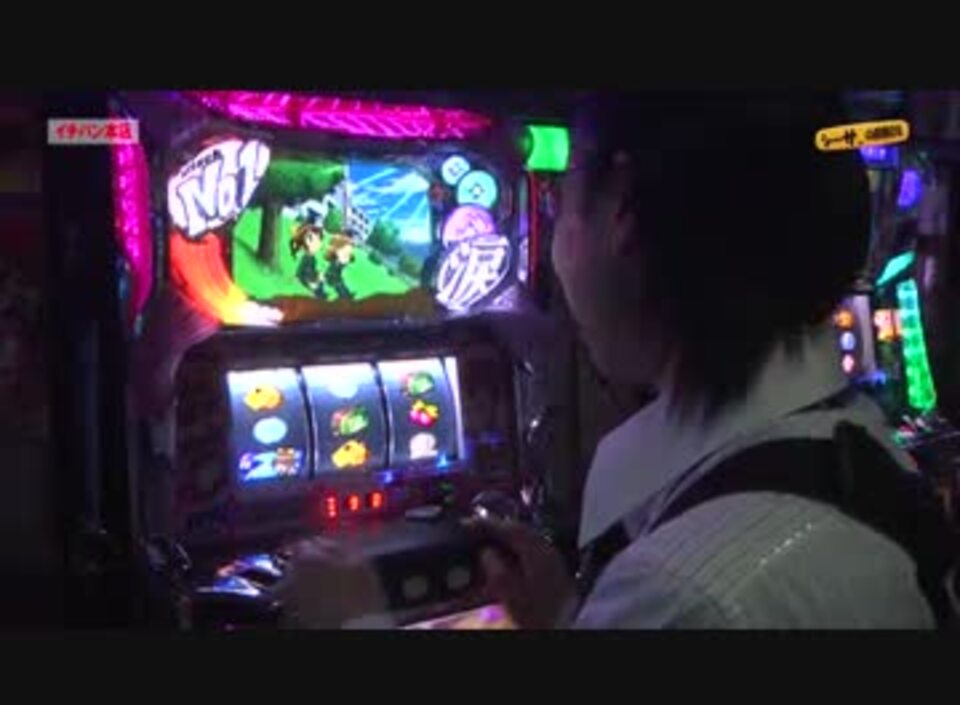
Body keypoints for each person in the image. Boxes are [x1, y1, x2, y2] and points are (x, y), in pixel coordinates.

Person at [276, 92, 945, 629]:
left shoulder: (684, 590)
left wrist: (352, 619)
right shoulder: (856, 445)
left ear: (620, 210)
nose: (554, 252)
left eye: (562, 199)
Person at [290, 224, 327, 299]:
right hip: (306, 280)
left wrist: (318, 274)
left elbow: (312, 270)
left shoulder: (312, 257)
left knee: (321, 278)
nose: (319, 244)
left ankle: (321, 294)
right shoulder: (306, 257)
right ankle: (318, 295)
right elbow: (300, 273)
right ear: (307, 241)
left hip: (311, 278)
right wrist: (309, 283)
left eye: (319, 241)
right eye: (316, 241)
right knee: (317, 284)